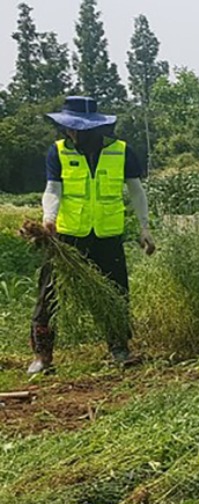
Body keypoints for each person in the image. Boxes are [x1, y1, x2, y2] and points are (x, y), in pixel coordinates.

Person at [28, 96, 157, 375]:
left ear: (93, 129)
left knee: (115, 293)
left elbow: (136, 191)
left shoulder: (122, 151)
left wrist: (145, 227)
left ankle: (119, 348)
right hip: (67, 237)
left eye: (75, 128)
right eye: (68, 127)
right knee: (49, 295)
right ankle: (43, 356)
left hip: (107, 236)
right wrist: (48, 218)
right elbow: (53, 189)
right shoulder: (58, 151)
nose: (69, 132)